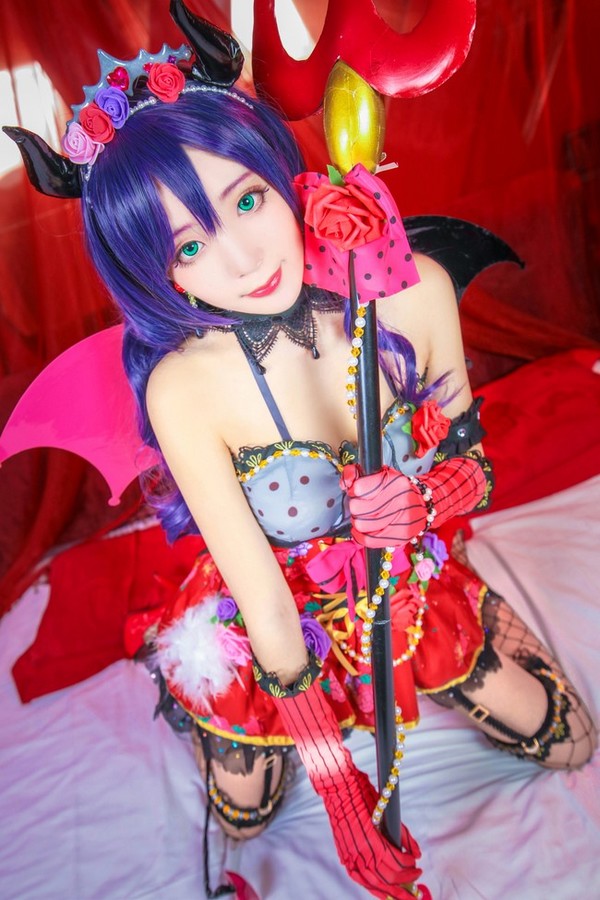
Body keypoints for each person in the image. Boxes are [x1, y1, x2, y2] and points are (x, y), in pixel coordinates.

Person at [5, 4, 595, 898]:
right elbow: (267, 604)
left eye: (248, 199)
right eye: (189, 247)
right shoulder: (184, 388)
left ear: (281, 171)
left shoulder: (408, 289)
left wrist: (426, 501)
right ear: (156, 276)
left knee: (570, 742)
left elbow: (473, 466)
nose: (245, 262)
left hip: (405, 587)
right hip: (272, 625)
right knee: (246, 813)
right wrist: (340, 788)